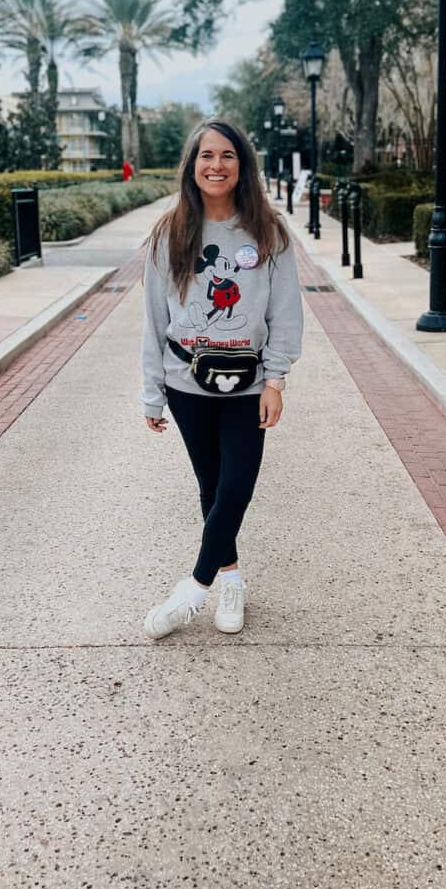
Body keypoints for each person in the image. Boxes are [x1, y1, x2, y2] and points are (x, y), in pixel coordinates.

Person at [140, 120, 304, 639]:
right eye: (206, 155)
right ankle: (231, 580)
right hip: (185, 383)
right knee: (211, 487)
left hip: (247, 383)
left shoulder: (268, 231)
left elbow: (286, 311)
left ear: (242, 165)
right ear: (191, 165)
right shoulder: (171, 232)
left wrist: (275, 379)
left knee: (236, 486)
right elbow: (153, 319)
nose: (216, 165)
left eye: (228, 155)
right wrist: (152, 392)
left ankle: (194, 589)